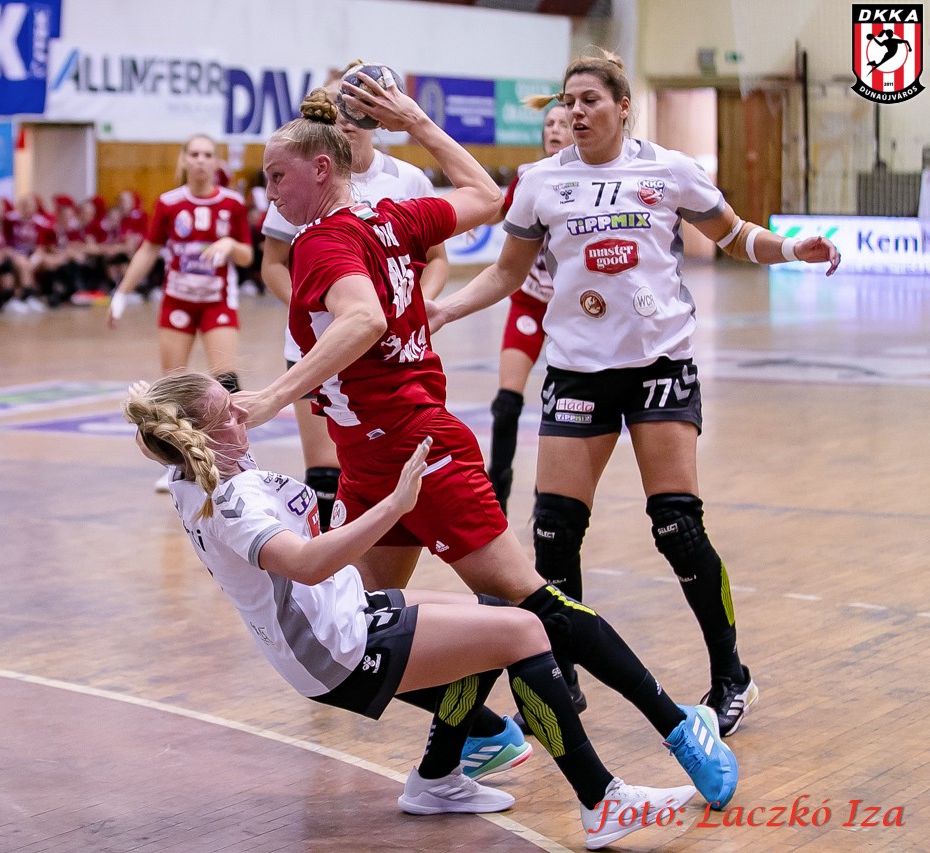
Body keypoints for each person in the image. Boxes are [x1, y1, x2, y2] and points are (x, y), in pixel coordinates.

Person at [234, 78, 739, 813]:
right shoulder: (393, 216)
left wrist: (272, 397)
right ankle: (450, 761)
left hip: (417, 447)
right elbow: (484, 194)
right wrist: (418, 121)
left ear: (320, 169)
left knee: (529, 605)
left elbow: (363, 318)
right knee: (359, 635)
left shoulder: (324, 240)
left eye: (276, 175)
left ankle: (677, 725)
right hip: (370, 458)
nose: (269, 191)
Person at [431, 49, 841, 737]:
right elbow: (506, 273)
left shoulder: (669, 170)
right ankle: (562, 679)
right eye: (569, 101)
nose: (576, 111)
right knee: (554, 532)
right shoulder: (540, 182)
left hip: (659, 365)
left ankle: (732, 675)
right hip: (578, 371)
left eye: (590, 100)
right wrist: (444, 310)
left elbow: (735, 236)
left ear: (624, 107)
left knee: (677, 526)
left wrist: (793, 249)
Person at [125, 372, 701, 849]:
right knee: (524, 631)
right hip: (335, 646)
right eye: (228, 412)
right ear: (198, 436)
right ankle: (602, 801)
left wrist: (184, 407)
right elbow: (305, 564)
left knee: (487, 620)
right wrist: (395, 505)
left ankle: (437, 780)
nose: (243, 411)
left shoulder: (192, 474)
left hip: (336, 619)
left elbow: (166, 439)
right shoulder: (233, 501)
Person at [261, 70, 449, 530]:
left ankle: (370, 564)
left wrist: (413, 308)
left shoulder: (406, 179)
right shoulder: (297, 179)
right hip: (320, 346)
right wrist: (317, 308)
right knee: (327, 477)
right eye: (334, 108)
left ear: (376, 115)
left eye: (354, 107)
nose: (343, 117)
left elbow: (437, 260)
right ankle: (331, 568)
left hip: (387, 351)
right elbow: (273, 264)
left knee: (389, 471)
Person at [107, 134, 253, 491]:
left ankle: (235, 458)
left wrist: (230, 244)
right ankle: (176, 461)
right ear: (184, 160)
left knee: (226, 382)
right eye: (195, 154)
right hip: (178, 301)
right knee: (173, 386)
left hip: (217, 300)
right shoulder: (170, 203)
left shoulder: (232, 203)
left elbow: (248, 256)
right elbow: (148, 250)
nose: (201, 160)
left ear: (215, 161)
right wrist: (121, 295)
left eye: (207, 154)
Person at [488, 101, 573, 518]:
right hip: (529, 301)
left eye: (562, 123)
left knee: (563, 408)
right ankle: (496, 500)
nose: (554, 129)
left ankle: (548, 501)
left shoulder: (590, 181)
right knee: (506, 403)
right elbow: (498, 213)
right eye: (549, 123)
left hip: (572, 311)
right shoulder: (528, 176)